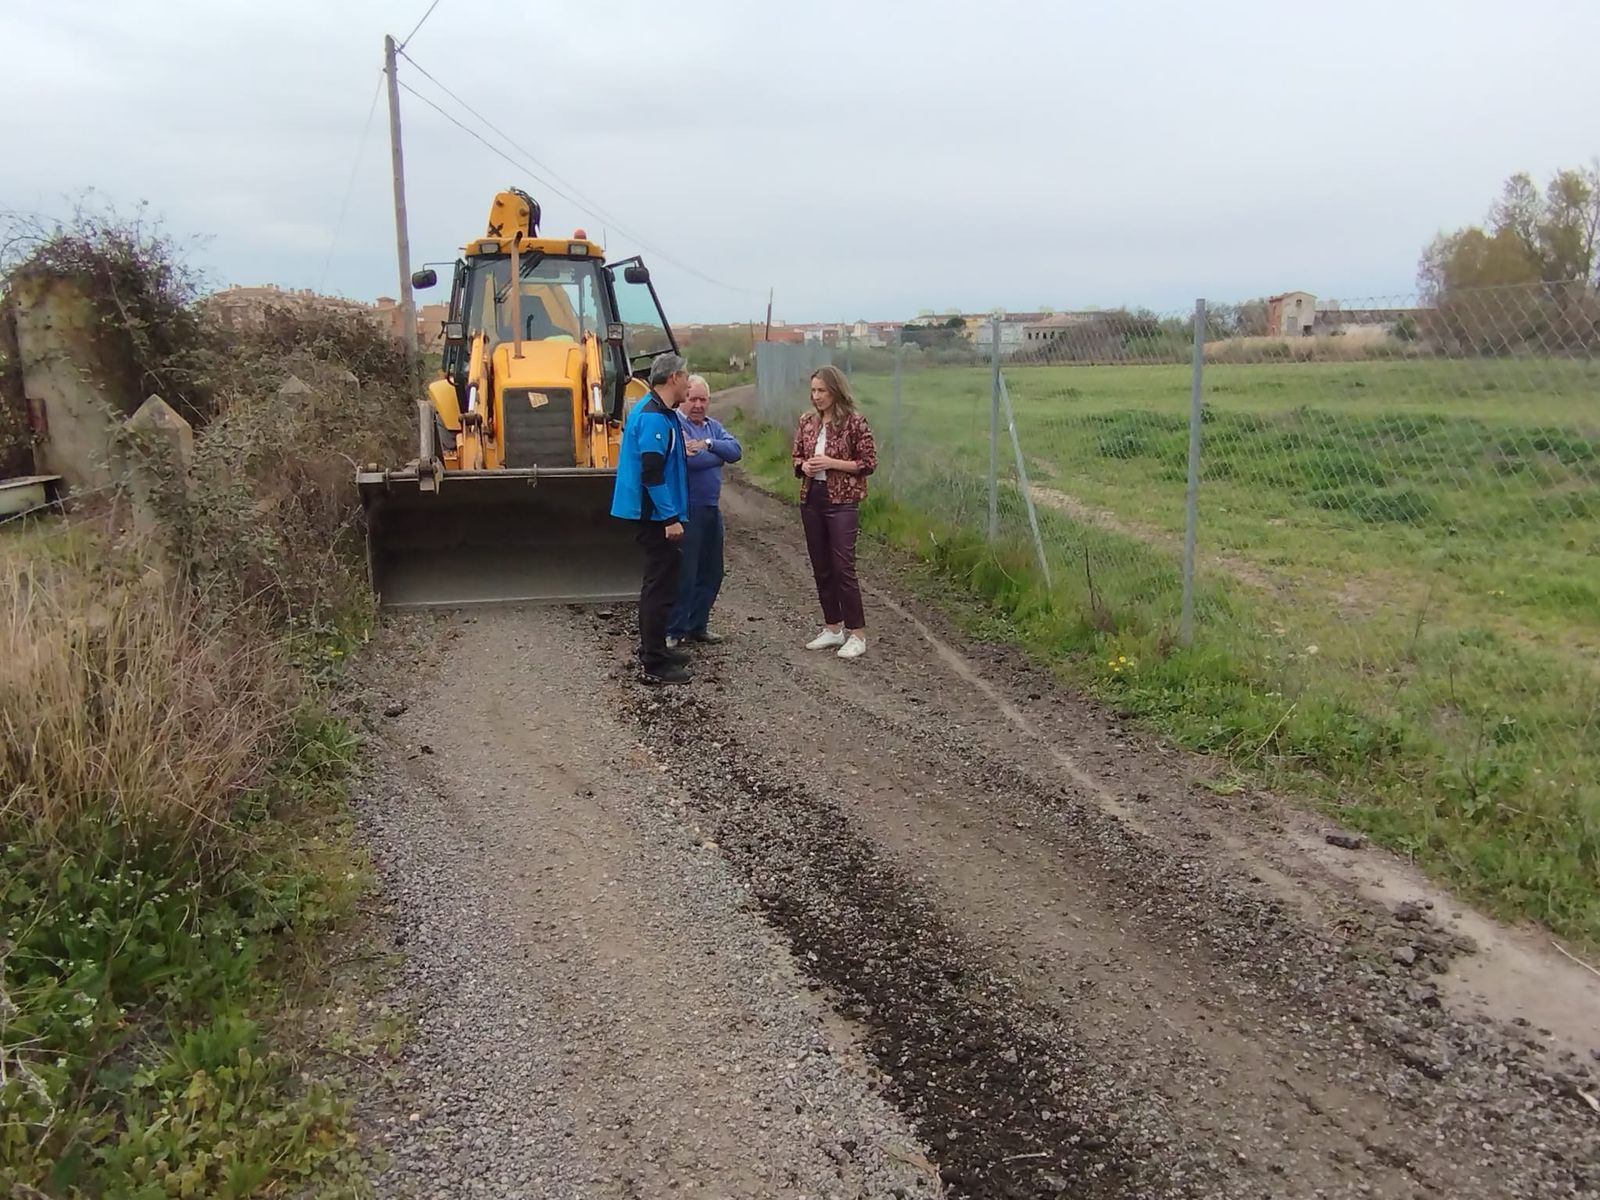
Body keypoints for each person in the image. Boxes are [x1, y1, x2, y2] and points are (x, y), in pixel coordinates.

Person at [610, 352, 692, 684]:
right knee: (659, 587)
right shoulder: (654, 418)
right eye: (686, 376)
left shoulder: (659, 412)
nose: (688, 382)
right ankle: (654, 661)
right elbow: (652, 473)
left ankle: (656, 648)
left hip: (655, 513)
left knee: (661, 582)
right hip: (653, 515)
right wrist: (670, 517)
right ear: (673, 378)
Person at [792, 364, 876, 660]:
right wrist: (803, 465)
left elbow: (867, 463)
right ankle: (832, 627)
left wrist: (831, 462)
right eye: (813, 390)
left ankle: (857, 633)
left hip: (842, 500)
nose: (816, 396)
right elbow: (797, 457)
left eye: (822, 391)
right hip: (812, 496)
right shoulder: (807, 422)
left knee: (843, 566)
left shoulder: (855, 422)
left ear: (835, 391)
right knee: (821, 565)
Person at [667, 374, 742, 648]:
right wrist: (715, 457)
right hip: (687, 510)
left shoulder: (713, 427)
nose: (698, 405)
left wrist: (708, 445)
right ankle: (675, 630)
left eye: (703, 399)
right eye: (692, 398)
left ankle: (698, 625)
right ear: (682, 399)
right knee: (686, 572)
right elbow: (687, 462)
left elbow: (735, 451)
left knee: (712, 571)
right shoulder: (675, 425)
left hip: (712, 509)